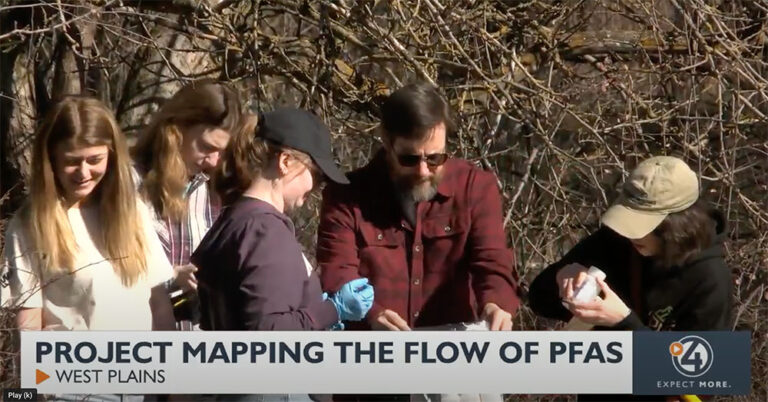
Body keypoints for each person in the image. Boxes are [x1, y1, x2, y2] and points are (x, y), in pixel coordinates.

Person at [317, 82, 519, 333]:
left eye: (435, 158)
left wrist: (495, 304)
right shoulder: (346, 196)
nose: (423, 171)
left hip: (451, 347)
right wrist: (372, 313)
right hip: (373, 347)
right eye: (409, 159)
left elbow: (491, 260)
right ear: (388, 144)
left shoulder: (475, 187)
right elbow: (337, 269)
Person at [528, 156, 733, 401]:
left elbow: (699, 385)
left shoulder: (711, 281)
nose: (630, 233)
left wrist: (623, 322)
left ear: (677, 226)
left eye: (642, 225)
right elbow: (538, 299)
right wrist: (562, 277)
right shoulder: (616, 242)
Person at [191, 109, 373, 333]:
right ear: (285, 162)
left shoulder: (235, 219)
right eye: (316, 175)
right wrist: (332, 310)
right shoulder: (266, 230)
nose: (316, 187)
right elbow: (270, 331)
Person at [0, 96, 175, 330]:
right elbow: (29, 319)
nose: (83, 172)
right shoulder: (29, 225)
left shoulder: (134, 213)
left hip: (137, 361)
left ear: (111, 156)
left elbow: (159, 303)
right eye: (72, 161)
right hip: (70, 363)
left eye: (94, 160)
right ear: (51, 159)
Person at [131, 79, 242, 330]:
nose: (213, 161)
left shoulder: (210, 190)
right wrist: (171, 277)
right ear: (175, 129)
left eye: (221, 152)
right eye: (205, 147)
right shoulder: (129, 183)